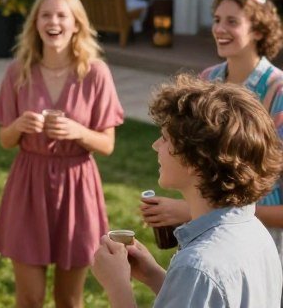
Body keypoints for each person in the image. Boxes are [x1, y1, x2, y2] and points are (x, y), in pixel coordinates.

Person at [0, 0, 124, 308]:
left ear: (76, 23)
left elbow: (107, 144)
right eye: (45, 16)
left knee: (69, 299)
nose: (53, 23)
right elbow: (4, 140)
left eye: (62, 16)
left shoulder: (96, 73)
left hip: (78, 185)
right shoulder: (18, 72)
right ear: (35, 23)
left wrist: (78, 131)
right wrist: (18, 126)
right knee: (30, 298)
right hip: (28, 183)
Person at [92, 74, 283, 307]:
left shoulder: (199, 266)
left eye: (164, 138)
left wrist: (117, 286)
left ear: (195, 160)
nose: (155, 146)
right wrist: (154, 275)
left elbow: (203, 280)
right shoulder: (255, 234)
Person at [140, 0, 283, 261]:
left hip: (261, 238)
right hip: (207, 232)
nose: (219, 28)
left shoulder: (277, 92)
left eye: (232, 21)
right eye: (217, 19)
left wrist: (185, 210)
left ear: (258, 29)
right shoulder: (207, 81)